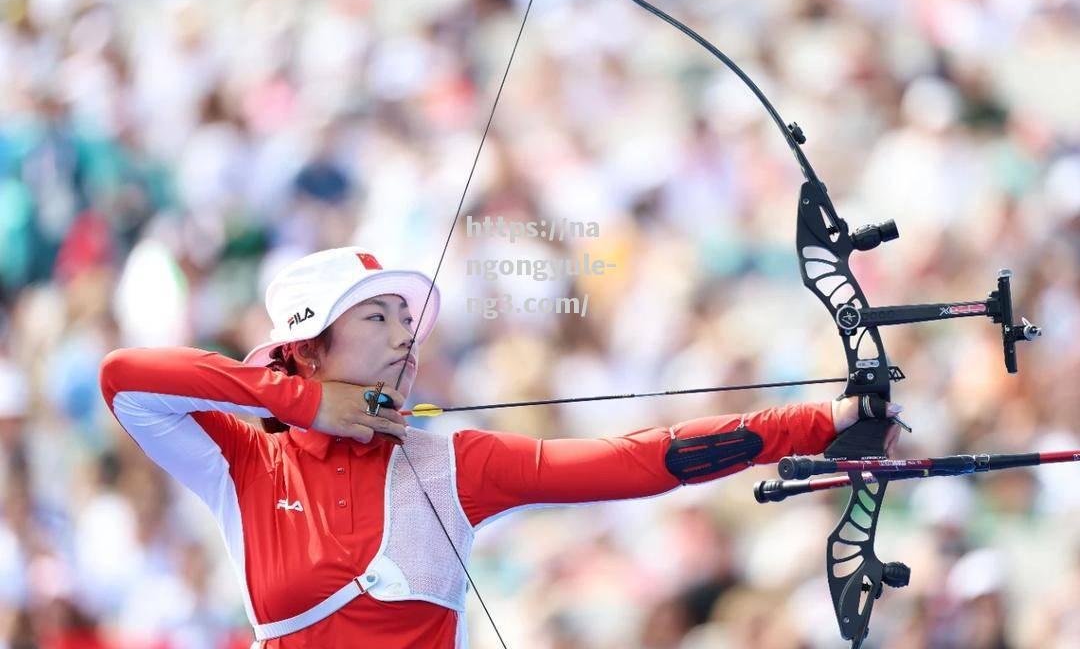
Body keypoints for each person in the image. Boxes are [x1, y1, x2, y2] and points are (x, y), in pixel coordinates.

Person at [98, 246, 902, 648]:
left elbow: (637, 461)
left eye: (406, 322)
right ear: (309, 349)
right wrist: (303, 403)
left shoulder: (455, 464)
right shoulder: (243, 463)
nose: (405, 338)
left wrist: (820, 423)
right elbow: (125, 377)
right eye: (377, 319)